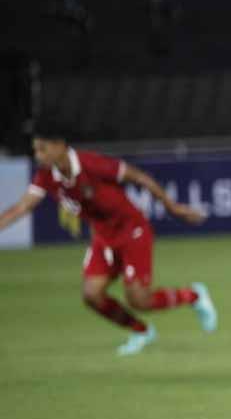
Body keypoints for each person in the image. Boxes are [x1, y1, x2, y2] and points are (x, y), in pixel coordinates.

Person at [0, 127, 217, 355]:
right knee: (92, 295)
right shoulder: (46, 175)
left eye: (42, 149)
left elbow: (139, 177)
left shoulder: (91, 164)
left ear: (60, 145)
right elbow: (22, 207)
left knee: (139, 300)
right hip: (103, 238)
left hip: (132, 232)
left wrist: (173, 207)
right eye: (36, 150)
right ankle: (141, 331)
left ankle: (193, 295)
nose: (38, 156)